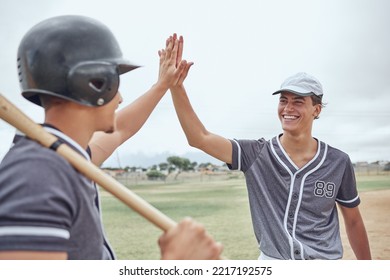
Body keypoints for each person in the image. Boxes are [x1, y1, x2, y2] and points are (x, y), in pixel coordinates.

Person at [0, 15, 222, 260]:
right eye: (116, 79)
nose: (120, 99)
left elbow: (122, 129)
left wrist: (162, 85)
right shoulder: (37, 173)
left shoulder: (69, 158)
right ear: (95, 83)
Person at [169, 68, 371, 260]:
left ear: (316, 110)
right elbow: (200, 138)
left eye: (298, 102)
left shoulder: (338, 162)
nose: (288, 108)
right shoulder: (256, 154)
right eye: (283, 100)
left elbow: (353, 221)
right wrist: (176, 86)